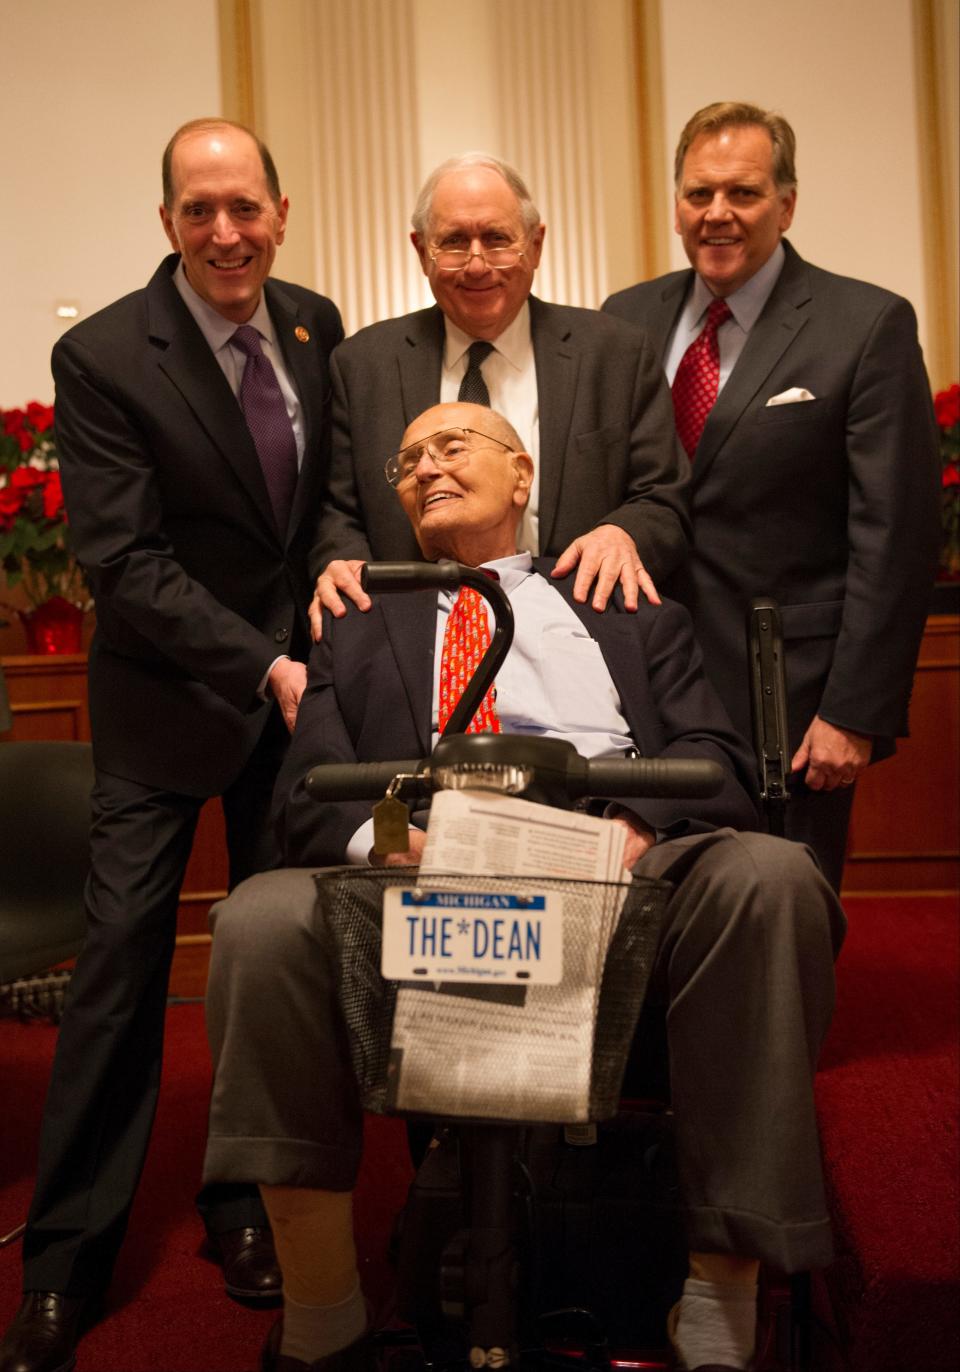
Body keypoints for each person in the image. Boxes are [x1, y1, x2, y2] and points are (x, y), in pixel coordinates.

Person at [202, 402, 845, 1372]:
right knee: (261, 916)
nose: (425, 466)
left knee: (768, 876)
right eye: (408, 458)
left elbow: (711, 757)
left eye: (451, 445)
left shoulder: (619, 602)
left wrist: (632, 834)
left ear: (522, 471)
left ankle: (719, 1295)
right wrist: (397, 843)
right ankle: (323, 1298)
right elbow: (305, 796)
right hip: (418, 869)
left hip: (614, 863)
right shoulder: (361, 618)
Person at [0, 118, 343, 1372]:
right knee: (120, 976)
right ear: (168, 225)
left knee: (275, 973)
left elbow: (322, 517)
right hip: (165, 706)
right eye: (198, 210)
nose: (224, 231)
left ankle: (246, 1204)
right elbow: (122, 561)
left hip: (297, 718)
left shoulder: (317, 324)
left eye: (243, 206)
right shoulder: (101, 355)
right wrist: (263, 661)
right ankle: (66, 1261)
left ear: (281, 210)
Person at [602, 100, 941, 891]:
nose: (717, 214)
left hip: (789, 697)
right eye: (698, 194)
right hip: (645, 683)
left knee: (786, 905)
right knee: (654, 906)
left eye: (744, 194)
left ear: (786, 204)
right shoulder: (625, 321)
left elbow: (896, 536)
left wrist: (854, 712)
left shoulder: (866, 325)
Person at [311, 151, 690, 634]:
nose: (476, 265)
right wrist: (347, 570)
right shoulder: (363, 365)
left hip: (584, 635)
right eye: (452, 242)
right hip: (414, 643)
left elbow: (663, 497)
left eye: (496, 240)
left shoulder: (616, 354)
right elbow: (335, 513)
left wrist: (623, 532)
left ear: (535, 244)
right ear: (420, 249)